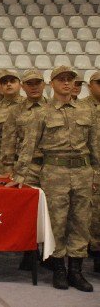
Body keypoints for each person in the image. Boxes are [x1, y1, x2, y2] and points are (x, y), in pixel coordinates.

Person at [8, 66, 98, 292]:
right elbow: (29, 146)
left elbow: (95, 146)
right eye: (61, 80)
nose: (66, 84)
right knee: (57, 221)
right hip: (54, 171)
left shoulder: (87, 112)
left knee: (80, 222)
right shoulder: (42, 113)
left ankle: (75, 271)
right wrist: (20, 173)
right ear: (52, 84)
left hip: (82, 172)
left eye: (70, 80)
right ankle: (59, 269)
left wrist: (96, 173)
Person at [0, 68, 47, 270]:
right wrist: (9, 168)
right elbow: (8, 142)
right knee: (30, 213)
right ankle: (29, 252)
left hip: (51, 167)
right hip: (26, 168)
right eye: (30, 83)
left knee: (53, 212)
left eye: (37, 83)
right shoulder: (15, 111)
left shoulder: (53, 108)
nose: (34, 87)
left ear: (44, 85)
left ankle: (51, 254)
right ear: (24, 86)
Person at [79, 71, 100, 273]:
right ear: (90, 85)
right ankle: (94, 254)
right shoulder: (82, 108)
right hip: (92, 167)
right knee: (92, 214)